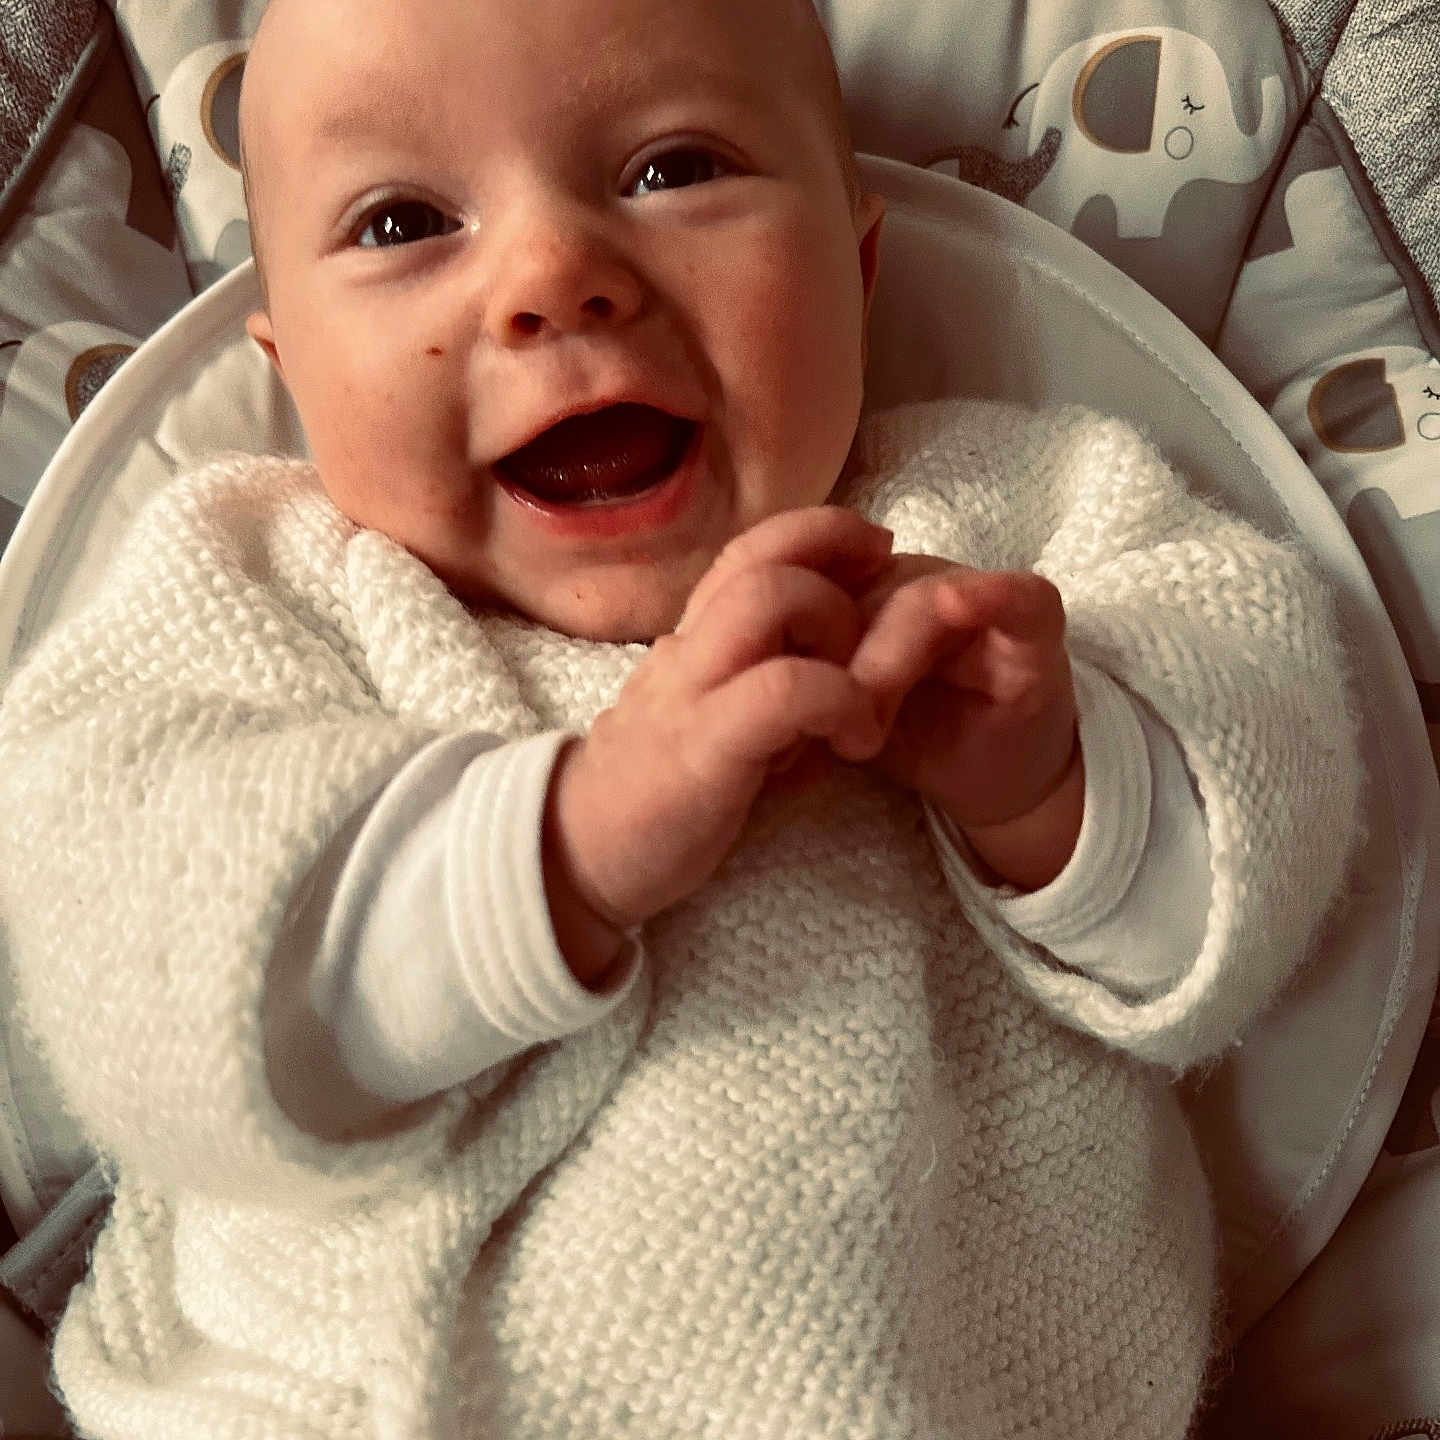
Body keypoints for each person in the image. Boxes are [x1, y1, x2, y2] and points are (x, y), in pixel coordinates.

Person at [0, 0, 1361, 1434]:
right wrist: (559, 850)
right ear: (292, 378)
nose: (551, 274)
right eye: (403, 223)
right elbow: (123, 931)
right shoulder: (262, 588)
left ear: (859, 262)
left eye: (672, 171)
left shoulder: (1005, 533)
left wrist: (1060, 779)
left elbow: (1269, 766)